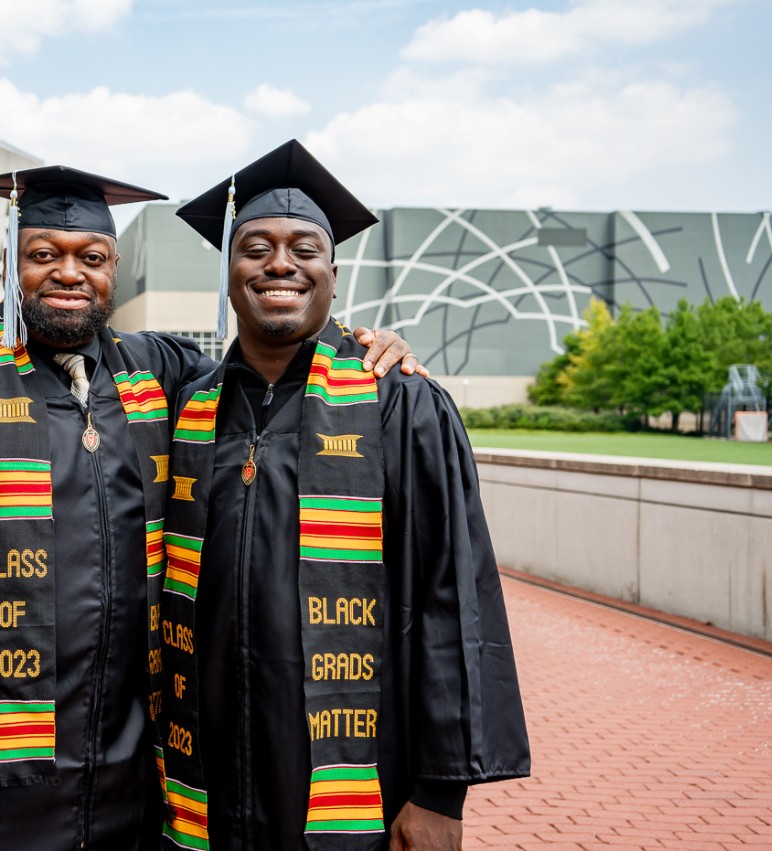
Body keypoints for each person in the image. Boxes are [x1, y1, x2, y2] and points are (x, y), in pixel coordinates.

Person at [0, 165, 423, 850]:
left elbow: (271, 360)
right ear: (12, 262)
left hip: (129, 778)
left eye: (90, 258)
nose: (69, 274)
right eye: (44, 255)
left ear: (114, 270)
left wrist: (363, 345)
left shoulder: (158, 376)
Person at [156, 141, 531, 851]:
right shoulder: (189, 406)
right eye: (255, 245)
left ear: (334, 272)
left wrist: (439, 794)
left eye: (306, 247)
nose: (280, 263)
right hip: (207, 786)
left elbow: (452, 598)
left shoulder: (401, 406)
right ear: (230, 271)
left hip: (348, 788)